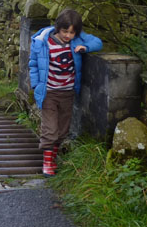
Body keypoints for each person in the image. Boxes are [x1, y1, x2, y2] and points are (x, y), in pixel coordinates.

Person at [29, 9, 103, 176]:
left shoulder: (77, 40)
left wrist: (86, 47)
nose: (68, 35)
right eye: (65, 31)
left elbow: (98, 43)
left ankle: (53, 159)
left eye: (72, 32)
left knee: (63, 130)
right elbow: (33, 64)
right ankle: (47, 163)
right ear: (57, 28)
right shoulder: (43, 42)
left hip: (68, 92)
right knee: (50, 129)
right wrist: (36, 85)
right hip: (49, 92)